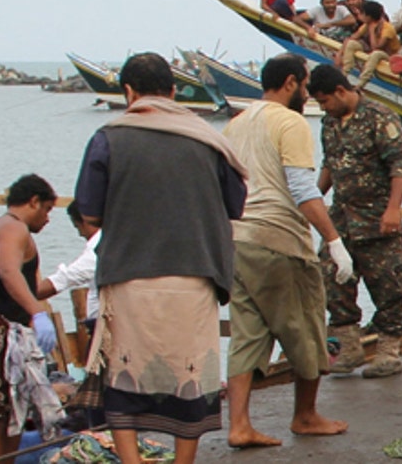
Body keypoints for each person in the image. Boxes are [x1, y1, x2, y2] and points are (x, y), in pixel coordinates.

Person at [75, 52, 247, 464]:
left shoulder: (107, 138)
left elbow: (90, 213)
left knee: (123, 376)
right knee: (190, 375)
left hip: (129, 276)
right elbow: (235, 205)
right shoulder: (208, 140)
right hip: (196, 276)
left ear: (128, 92)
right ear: (173, 91)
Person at [221, 55, 350, 448]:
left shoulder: (235, 124)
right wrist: (334, 240)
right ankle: (306, 415)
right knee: (306, 326)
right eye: (306, 85)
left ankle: (239, 425)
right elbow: (302, 187)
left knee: (247, 333)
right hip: (278, 239)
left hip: (238, 239)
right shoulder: (290, 122)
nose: (308, 94)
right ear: (291, 82)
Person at [309, 65, 402, 379]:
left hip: (377, 216)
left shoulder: (380, 117)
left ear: (341, 91)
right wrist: (313, 197)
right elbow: (330, 164)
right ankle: (349, 347)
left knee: (388, 283)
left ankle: (388, 352)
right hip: (342, 217)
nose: (323, 108)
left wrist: (393, 209)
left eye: (325, 101)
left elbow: (399, 164)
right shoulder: (330, 123)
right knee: (332, 276)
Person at [0, 174, 58, 461]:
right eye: (47, 209)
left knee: (12, 409)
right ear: (33, 201)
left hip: (1, 328)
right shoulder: (13, 227)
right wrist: (38, 312)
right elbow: (9, 273)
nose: (48, 219)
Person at [36, 202, 100, 322]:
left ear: (86, 221)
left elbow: (65, 278)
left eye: (78, 227)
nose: (80, 234)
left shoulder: (98, 247)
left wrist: (24, 296)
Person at [338, 0, 401, 89]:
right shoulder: (367, 24)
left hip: (389, 56)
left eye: (362, 13)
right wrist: (340, 54)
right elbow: (352, 38)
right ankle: (345, 74)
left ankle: (361, 84)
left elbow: (376, 47)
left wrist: (371, 31)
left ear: (369, 16)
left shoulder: (387, 29)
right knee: (352, 44)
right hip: (372, 50)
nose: (360, 15)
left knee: (376, 54)